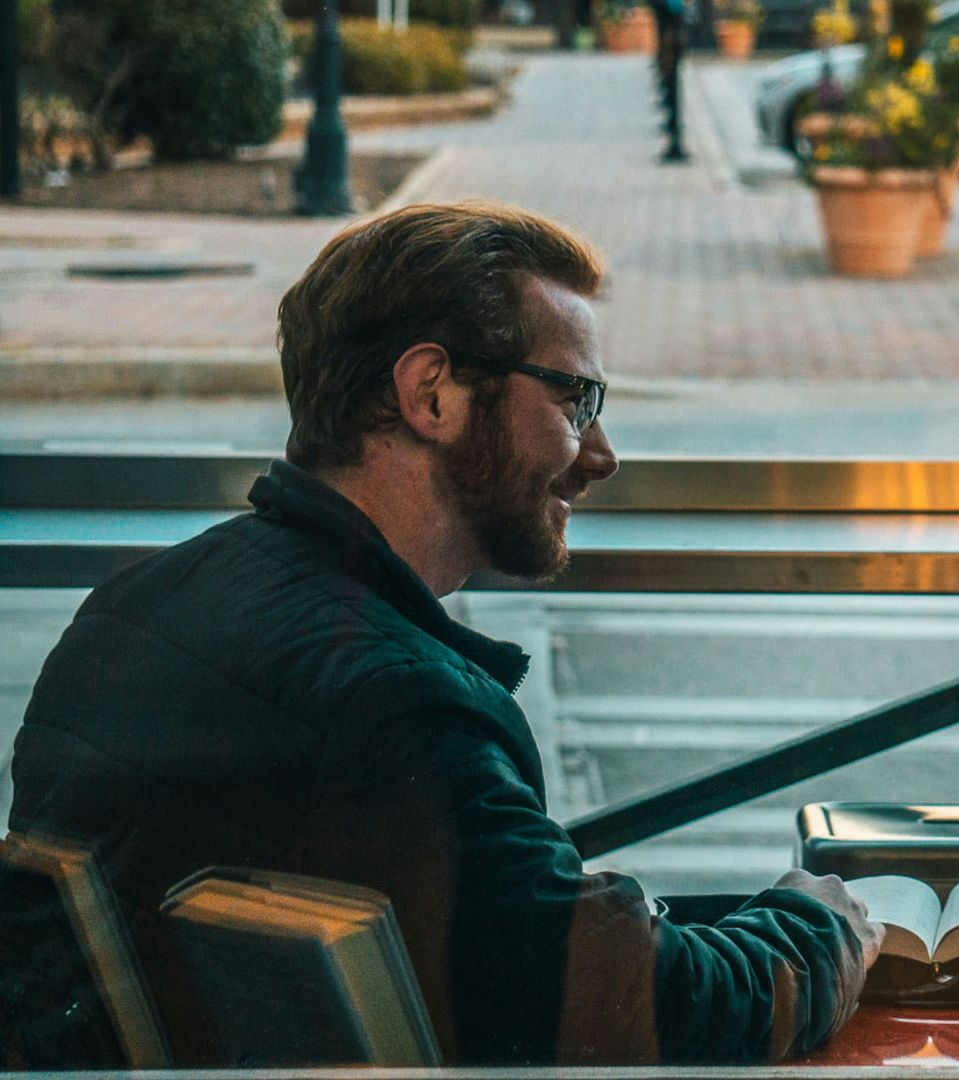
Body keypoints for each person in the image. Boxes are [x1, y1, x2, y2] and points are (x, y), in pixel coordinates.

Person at [5, 201, 883, 1066]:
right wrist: (819, 923)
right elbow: (648, 1009)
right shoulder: (393, 704)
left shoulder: (130, 611)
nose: (601, 453)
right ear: (431, 392)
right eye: (576, 400)